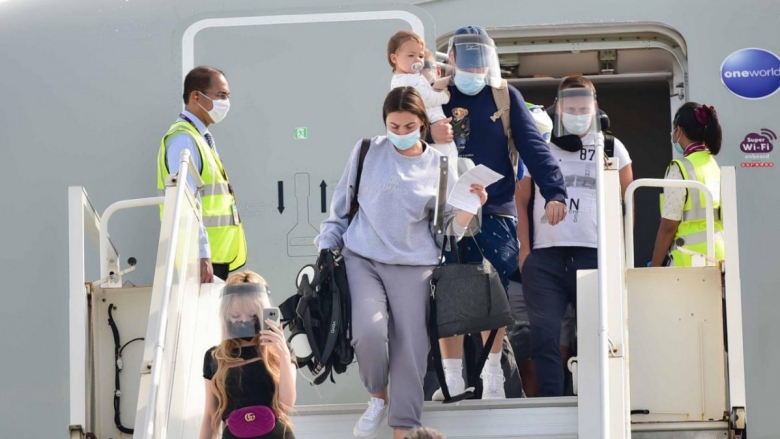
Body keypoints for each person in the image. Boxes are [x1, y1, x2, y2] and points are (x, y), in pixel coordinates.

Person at [315, 87, 486, 439]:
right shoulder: (366, 151)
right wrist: (324, 251)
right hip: (363, 258)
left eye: (409, 125)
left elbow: (451, 228)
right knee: (368, 333)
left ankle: (404, 427)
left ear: (422, 124)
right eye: (394, 125)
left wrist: (471, 207)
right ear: (385, 123)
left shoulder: (440, 166)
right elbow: (341, 207)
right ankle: (378, 397)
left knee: (411, 346)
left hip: (415, 265)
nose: (401, 132)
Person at [429, 25, 568, 401]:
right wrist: (429, 132)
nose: (474, 68)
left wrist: (555, 191)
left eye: (480, 59)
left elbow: (535, 148)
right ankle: (453, 380)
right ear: (452, 59)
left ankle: (492, 375)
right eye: (467, 58)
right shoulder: (433, 96)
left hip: (496, 210)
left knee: (494, 293)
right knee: (449, 292)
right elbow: (411, 146)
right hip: (447, 210)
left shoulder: (505, 96)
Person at [516, 76, 633, 397]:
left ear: (595, 107)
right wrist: (524, 250)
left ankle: (598, 398)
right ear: (559, 108)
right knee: (545, 336)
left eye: (584, 107)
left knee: (598, 333)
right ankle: (551, 404)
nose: (578, 112)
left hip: (595, 254)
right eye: (572, 107)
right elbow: (521, 198)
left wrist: (621, 255)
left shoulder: (611, 146)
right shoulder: (540, 146)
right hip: (546, 257)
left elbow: (628, 202)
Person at [157, 65, 247, 283]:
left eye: (227, 96)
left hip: (215, 256)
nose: (226, 103)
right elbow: (188, 201)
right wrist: (201, 252)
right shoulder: (183, 139)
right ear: (196, 96)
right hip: (200, 259)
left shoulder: (200, 137)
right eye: (221, 95)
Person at [199, 271, 296, 439]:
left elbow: (286, 405)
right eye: (236, 315)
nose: (244, 320)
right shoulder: (215, 357)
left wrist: (284, 356)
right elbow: (210, 416)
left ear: (262, 312)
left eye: (252, 315)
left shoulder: (279, 351)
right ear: (226, 315)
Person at [652, 102, 724, 267]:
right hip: (719, 256)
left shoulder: (680, 168)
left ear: (679, 131)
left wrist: (655, 266)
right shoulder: (714, 166)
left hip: (690, 259)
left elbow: (669, 225)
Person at [388, 31, 458, 163]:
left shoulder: (409, 77)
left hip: (430, 123)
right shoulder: (407, 80)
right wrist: (444, 96)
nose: (417, 60)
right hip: (430, 120)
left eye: (420, 56)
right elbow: (425, 98)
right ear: (394, 59)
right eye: (411, 55)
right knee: (444, 159)